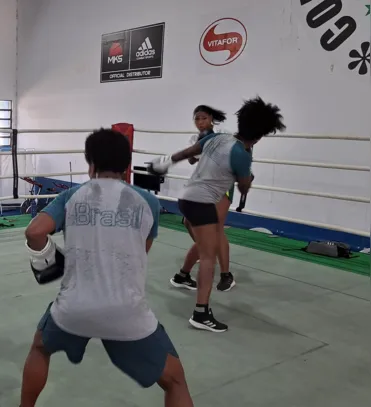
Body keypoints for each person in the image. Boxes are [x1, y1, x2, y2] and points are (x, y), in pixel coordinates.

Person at [20, 129, 194, 407]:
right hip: (127, 312)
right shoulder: (149, 203)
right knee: (175, 381)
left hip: (73, 309)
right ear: (126, 166)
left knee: (40, 348)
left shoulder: (72, 196)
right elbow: (141, 252)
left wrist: (49, 258)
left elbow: (34, 232)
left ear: (90, 164)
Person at [149, 97, 285, 333]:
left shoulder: (218, 137)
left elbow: (190, 151)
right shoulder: (242, 154)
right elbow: (243, 187)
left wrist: (166, 162)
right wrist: (246, 178)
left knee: (207, 246)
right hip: (201, 203)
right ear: (262, 134)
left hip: (187, 199)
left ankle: (183, 277)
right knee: (209, 257)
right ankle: (200, 313)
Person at [170, 105, 236, 292]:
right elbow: (191, 159)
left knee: (215, 229)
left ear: (211, 119)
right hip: (202, 186)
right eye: (197, 119)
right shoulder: (195, 138)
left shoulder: (223, 134)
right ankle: (187, 272)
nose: (200, 122)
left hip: (222, 186)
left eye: (203, 118)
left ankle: (225, 275)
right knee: (190, 224)